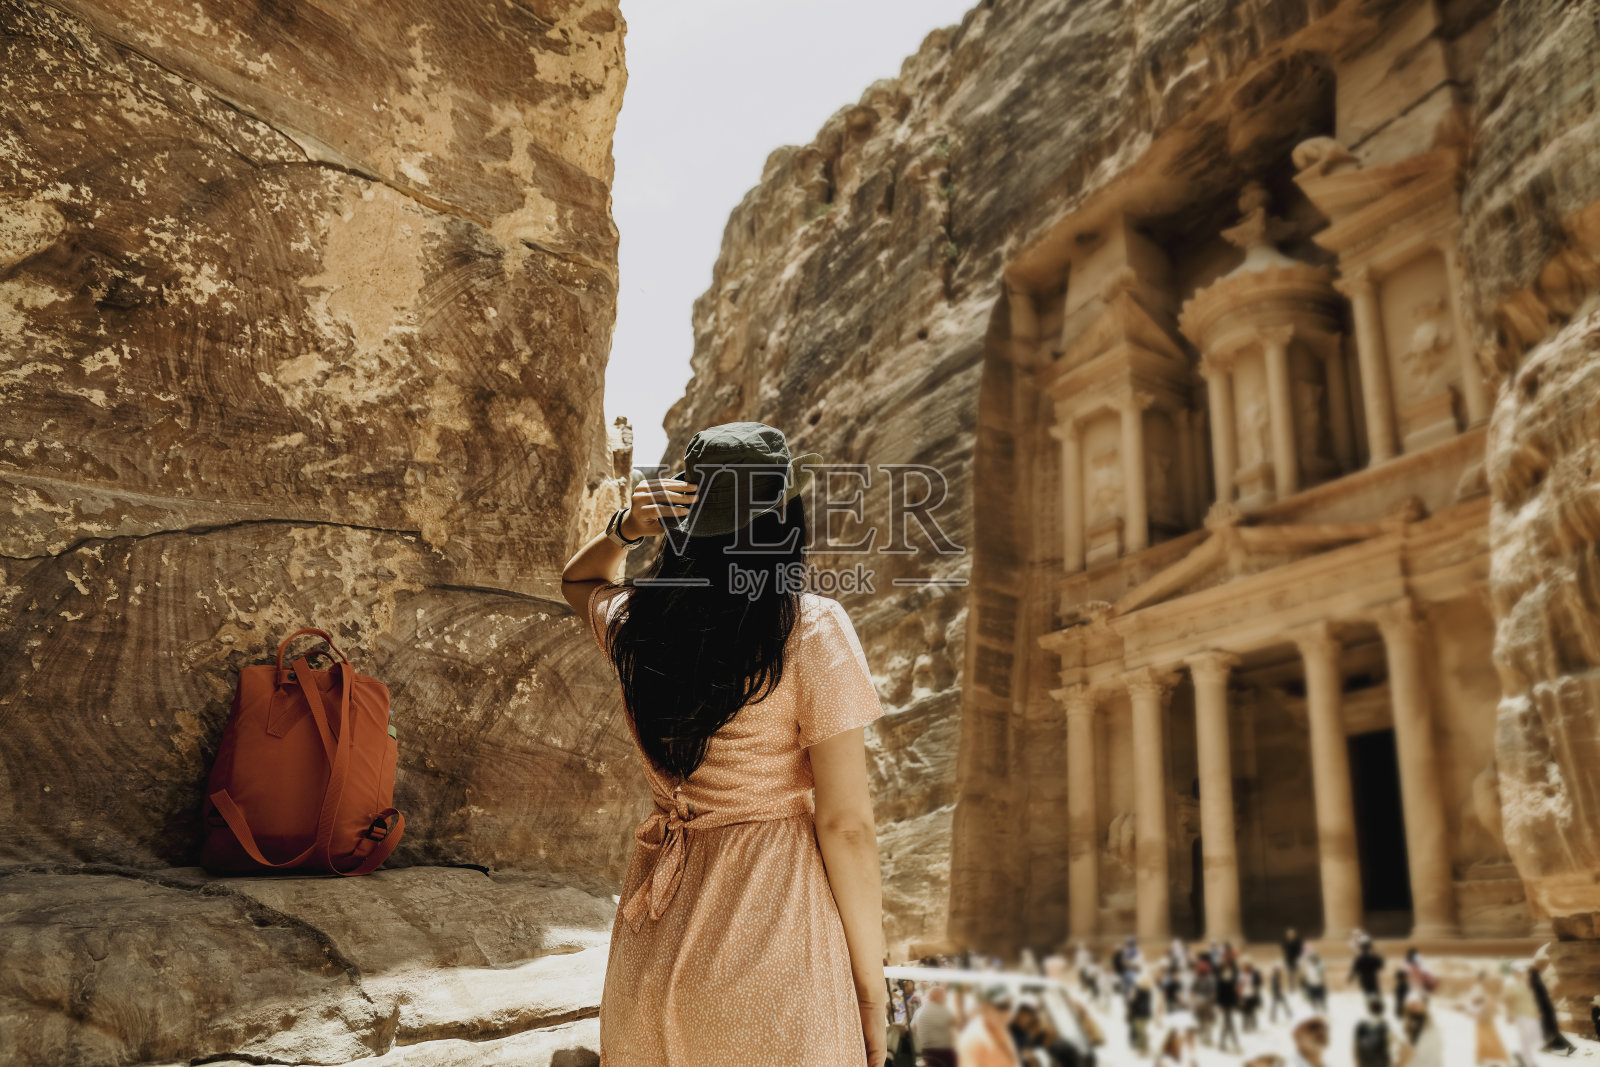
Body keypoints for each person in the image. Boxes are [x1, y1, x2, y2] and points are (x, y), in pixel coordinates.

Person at [564, 423, 887, 1067]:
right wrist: (872, 994)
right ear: (783, 521)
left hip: (651, 959)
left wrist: (626, 529)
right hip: (772, 946)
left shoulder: (636, 624)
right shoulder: (810, 627)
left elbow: (579, 584)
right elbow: (846, 825)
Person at [956, 984, 1022, 1067]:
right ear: (985, 1008)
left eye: (1008, 1006)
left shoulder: (1000, 1028)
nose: (1007, 1013)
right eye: (1001, 1006)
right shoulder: (973, 1038)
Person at [1529, 953, 1577, 1055]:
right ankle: (1551, 1045)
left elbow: (1539, 997)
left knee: (1550, 1030)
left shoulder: (1535, 978)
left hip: (1545, 1009)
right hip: (1545, 1009)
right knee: (1548, 1029)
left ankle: (1566, 1046)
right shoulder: (1535, 978)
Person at [1502, 962, 1542, 1067]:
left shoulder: (1525, 983)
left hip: (1531, 1014)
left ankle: (1522, 1055)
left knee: (1535, 1038)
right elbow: (1508, 1000)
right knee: (1525, 1040)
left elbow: (1531, 999)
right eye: (1519, 971)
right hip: (1521, 1015)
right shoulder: (1511, 984)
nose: (1521, 973)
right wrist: (1508, 1014)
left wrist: (1537, 1012)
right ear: (1514, 972)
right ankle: (1529, 1062)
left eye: (1522, 971)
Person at [1468, 971, 1510, 1066]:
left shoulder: (1482, 988)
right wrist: (1484, 1000)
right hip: (1482, 1016)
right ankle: (1486, 1057)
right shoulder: (1477, 988)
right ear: (1481, 979)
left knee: (1487, 1036)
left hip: (1485, 1016)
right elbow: (1475, 1000)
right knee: (1486, 1037)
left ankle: (1486, 1057)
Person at [912, 985, 959, 1067]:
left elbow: (913, 1028)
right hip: (943, 1053)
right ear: (939, 997)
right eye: (944, 996)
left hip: (926, 1052)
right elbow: (958, 1025)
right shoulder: (943, 1009)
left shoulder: (919, 1011)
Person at [1397, 992, 1444, 1067]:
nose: (1415, 1008)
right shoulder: (1411, 1025)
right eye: (1412, 1006)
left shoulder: (1429, 1028)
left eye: (1417, 1005)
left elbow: (1409, 1053)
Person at [1354, 995, 1396, 1067]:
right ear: (1382, 1009)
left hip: (1365, 1062)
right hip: (1381, 1063)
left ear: (1368, 1009)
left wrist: (1357, 1063)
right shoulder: (1385, 1026)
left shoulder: (1361, 1025)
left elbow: (1356, 1047)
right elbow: (1391, 1047)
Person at [1216, 952, 1243, 1053]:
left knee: (1227, 1024)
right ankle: (1234, 1043)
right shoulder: (1220, 976)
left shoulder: (1233, 975)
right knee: (1229, 1023)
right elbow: (1219, 992)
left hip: (1230, 1002)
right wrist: (1220, 1005)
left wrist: (1236, 1002)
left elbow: (1234, 990)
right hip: (1224, 1003)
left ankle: (1222, 1043)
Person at [1239, 956, 1263, 1033]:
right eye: (1244, 965)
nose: (1246, 967)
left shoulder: (1255, 973)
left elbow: (1259, 982)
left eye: (1247, 965)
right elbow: (1238, 984)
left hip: (1252, 995)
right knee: (1245, 1012)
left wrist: (1255, 988)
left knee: (1252, 1011)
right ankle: (1245, 1026)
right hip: (1244, 995)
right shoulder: (1241, 974)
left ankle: (1253, 1026)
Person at [1282, 928, 1305, 993]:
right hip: (1289, 960)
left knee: (1299, 974)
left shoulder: (1298, 941)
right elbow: (1285, 950)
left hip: (1297, 960)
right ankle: (1292, 988)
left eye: (1292, 934)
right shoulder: (1286, 942)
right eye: (1289, 934)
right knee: (1290, 975)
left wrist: (1300, 959)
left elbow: (1300, 950)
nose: (1290, 935)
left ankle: (1302, 987)